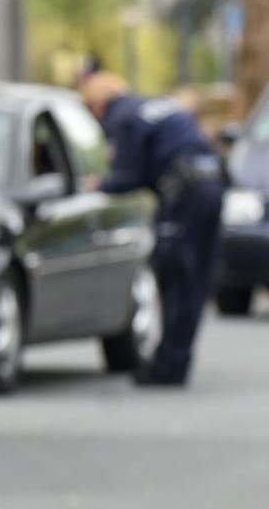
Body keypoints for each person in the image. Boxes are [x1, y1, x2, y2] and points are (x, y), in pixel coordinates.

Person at [83, 71, 226, 385]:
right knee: (195, 282)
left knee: (175, 280)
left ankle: (168, 367)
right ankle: (178, 361)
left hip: (183, 195)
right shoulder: (153, 105)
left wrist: (98, 185)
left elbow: (128, 176)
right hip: (211, 186)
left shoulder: (122, 117)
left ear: (97, 105)